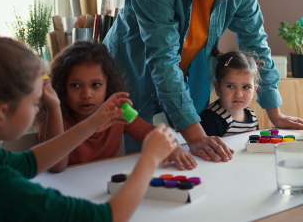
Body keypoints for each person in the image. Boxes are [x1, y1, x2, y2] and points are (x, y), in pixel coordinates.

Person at [103, 0, 303, 161]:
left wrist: (275, 113)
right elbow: (164, 61)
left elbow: (254, 40)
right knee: (134, 171)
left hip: (184, 84)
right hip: (130, 87)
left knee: (184, 169)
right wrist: (196, 136)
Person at [0, 25, 178, 221]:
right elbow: (106, 217)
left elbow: (28, 163)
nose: (38, 108)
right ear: (0, 113)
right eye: (35, 102)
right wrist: (149, 158)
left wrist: (92, 123)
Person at [38, 41, 197, 172]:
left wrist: (173, 145)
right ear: (61, 87)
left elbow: (150, 132)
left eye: (96, 85)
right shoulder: (53, 118)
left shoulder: (119, 111)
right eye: (75, 85)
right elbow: (56, 167)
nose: (87, 94)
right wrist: (53, 108)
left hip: (110, 186)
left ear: (108, 85)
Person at [200, 50, 263, 136]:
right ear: (218, 88)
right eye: (231, 86)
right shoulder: (210, 118)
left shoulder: (252, 117)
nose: (239, 94)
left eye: (246, 87)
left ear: (254, 91)